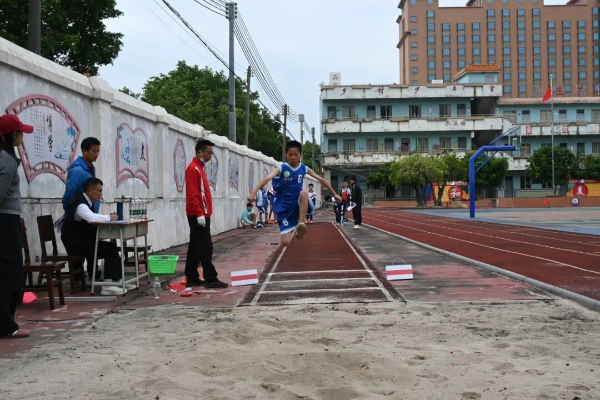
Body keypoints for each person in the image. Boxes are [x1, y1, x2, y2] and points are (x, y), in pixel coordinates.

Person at [248, 141, 341, 247]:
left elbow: (321, 179)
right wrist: (253, 193)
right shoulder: (282, 168)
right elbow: (267, 178)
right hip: (284, 206)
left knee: (304, 193)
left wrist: (334, 194)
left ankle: (301, 223)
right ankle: (295, 229)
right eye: (290, 154)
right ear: (286, 154)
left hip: (298, 202)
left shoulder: (303, 168)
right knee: (285, 242)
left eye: (296, 155)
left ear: (300, 154)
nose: (293, 157)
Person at [61, 178, 133, 296]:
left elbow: (93, 216)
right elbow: (92, 218)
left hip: (82, 241)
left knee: (111, 247)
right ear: (90, 190)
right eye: (99, 190)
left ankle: (117, 280)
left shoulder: (86, 203)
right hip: (75, 245)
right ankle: (108, 285)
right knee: (110, 249)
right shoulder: (80, 205)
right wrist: (109, 217)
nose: (101, 193)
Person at [0, 114, 33, 338]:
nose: (23, 136)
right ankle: (6, 325)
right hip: (5, 221)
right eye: (21, 133)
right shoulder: (7, 160)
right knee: (10, 274)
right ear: (13, 136)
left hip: (7, 219)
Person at [184, 139, 228, 289]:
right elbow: (193, 194)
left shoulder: (200, 168)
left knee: (195, 246)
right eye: (209, 153)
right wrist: (199, 213)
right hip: (198, 214)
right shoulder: (193, 169)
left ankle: (192, 277)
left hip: (202, 213)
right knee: (205, 246)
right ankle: (210, 277)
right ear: (200, 152)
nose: (210, 156)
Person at [62, 137, 101, 213]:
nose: (96, 154)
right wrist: (72, 214)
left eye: (98, 151)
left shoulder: (91, 168)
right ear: (85, 151)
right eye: (94, 151)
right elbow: (70, 195)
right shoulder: (77, 170)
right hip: (81, 216)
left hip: (90, 213)